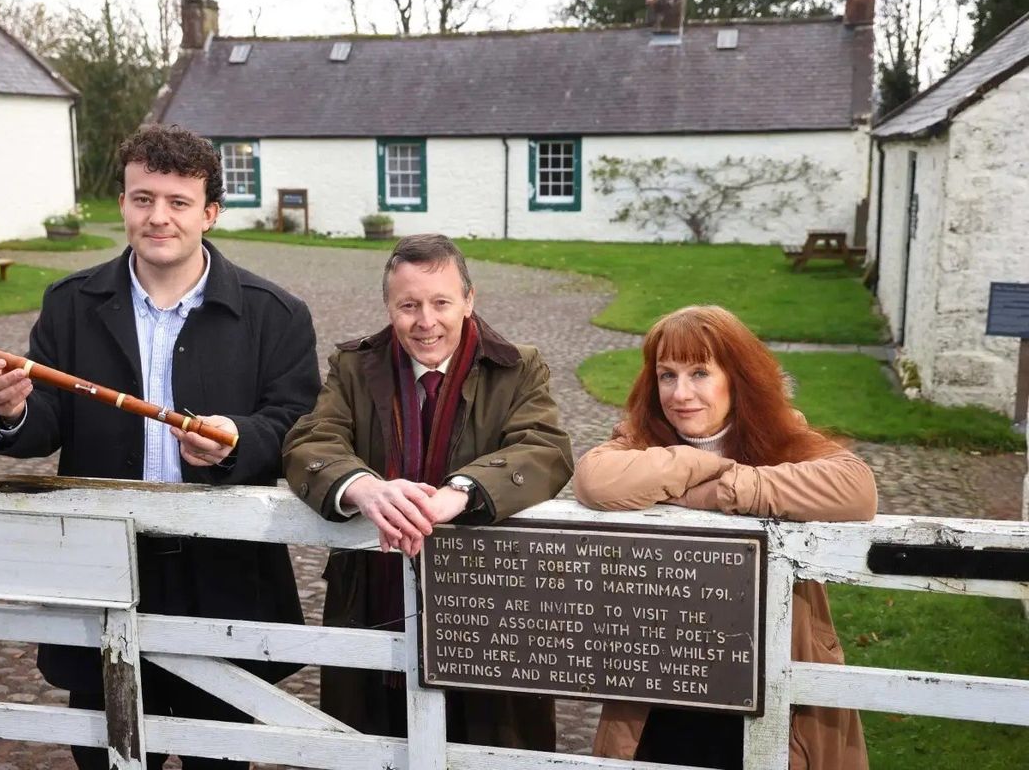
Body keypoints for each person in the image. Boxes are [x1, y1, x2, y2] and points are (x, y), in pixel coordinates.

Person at [0, 124, 321, 770]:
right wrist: (16, 410)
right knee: (105, 758)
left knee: (216, 759)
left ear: (210, 213)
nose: (157, 217)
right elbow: (44, 424)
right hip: (101, 570)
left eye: (177, 202)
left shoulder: (277, 314)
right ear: (123, 204)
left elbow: (300, 426)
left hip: (220, 577)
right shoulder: (71, 304)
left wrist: (237, 442)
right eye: (142, 199)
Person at [282, 233, 573, 750]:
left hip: (490, 599)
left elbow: (544, 447)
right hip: (371, 593)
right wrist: (363, 487)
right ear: (389, 306)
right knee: (370, 740)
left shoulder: (518, 365)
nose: (426, 321)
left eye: (441, 302)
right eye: (408, 305)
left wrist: (461, 494)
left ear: (469, 300)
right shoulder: (353, 366)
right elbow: (312, 439)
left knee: (487, 741)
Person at [573, 305, 874, 770]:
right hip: (665, 675)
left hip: (766, 665)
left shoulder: (782, 436)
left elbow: (856, 488)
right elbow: (595, 481)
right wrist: (700, 464)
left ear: (736, 377)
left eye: (699, 373)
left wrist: (730, 489)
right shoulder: (641, 439)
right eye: (667, 375)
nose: (681, 393)